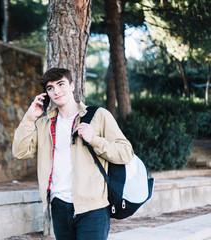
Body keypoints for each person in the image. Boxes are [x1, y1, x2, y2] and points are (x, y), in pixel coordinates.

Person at [12, 67, 134, 240]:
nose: (56, 91)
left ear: (72, 86)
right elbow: (20, 151)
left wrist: (95, 139)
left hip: (93, 208)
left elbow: (125, 153)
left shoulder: (98, 116)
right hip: (59, 207)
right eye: (50, 88)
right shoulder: (44, 124)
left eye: (61, 84)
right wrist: (30, 117)